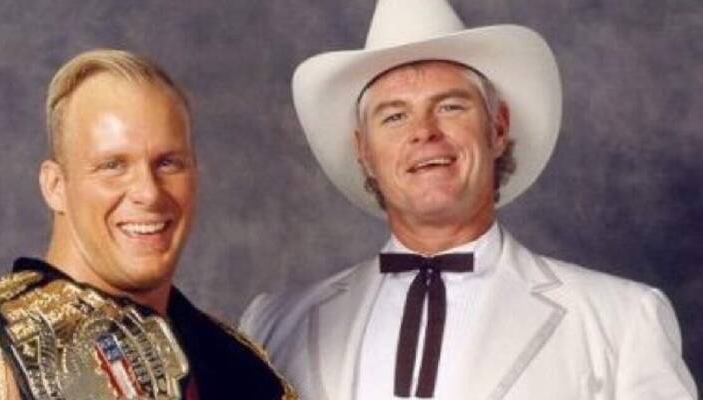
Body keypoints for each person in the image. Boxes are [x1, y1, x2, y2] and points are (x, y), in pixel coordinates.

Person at [239, 1, 698, 399]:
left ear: (497, 128)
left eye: (450, 106)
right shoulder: (274, 325)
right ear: (364, 151)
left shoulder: (623, 321)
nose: (424, 132)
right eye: (395, 116)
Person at [0, 49, 295, 400]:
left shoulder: (240, 366)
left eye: (168, 163)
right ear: (55, 186)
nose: (148, 192)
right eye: (113, 166)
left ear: (195, 175)